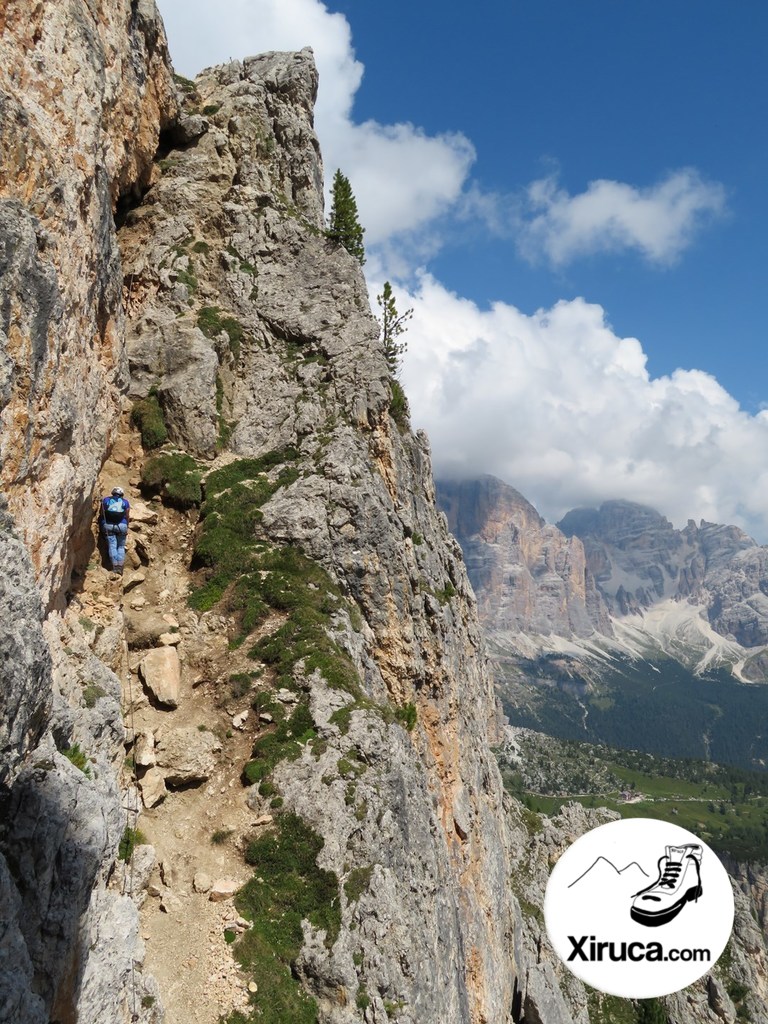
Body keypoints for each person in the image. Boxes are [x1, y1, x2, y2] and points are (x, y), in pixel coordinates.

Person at [100, 486, 130, 575]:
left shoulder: (106, 500)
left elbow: (102, 513)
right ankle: (120, 567)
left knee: (112, 546)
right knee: (121, 546)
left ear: (112, 493)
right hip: (122, 525)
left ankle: (115, 567)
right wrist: (126, 525)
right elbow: (127, 515)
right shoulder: (125, 502)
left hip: (108, 525)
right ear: (122, 494)